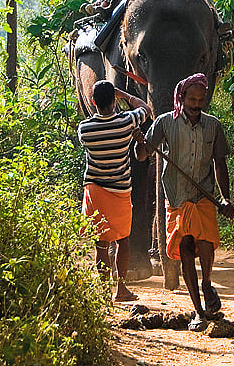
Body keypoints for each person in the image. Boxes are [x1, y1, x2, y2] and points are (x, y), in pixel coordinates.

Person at [145, 73, 234, 331]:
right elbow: (143, 154)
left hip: (204, 196)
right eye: (192, 99)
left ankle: (207, 284)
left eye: (200, 99)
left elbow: (219, 163)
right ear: (181, 98)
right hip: (177, 198)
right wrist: (141, 143)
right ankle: (198, 311)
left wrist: (224, 197)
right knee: (185, 248)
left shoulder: (213, 125)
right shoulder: (164, 123)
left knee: (205, 246)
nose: (196, 104)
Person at [77, 80, 152, 302]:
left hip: (95, 190)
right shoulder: (127, 122)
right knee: (123, 240)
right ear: (113, 100)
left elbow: (92, 129)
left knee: (101, 243)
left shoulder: (85, 129)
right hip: (120, 189)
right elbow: (145, 109)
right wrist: (125, 95)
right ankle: (121, 289)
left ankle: (102, 291)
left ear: (93, 102)